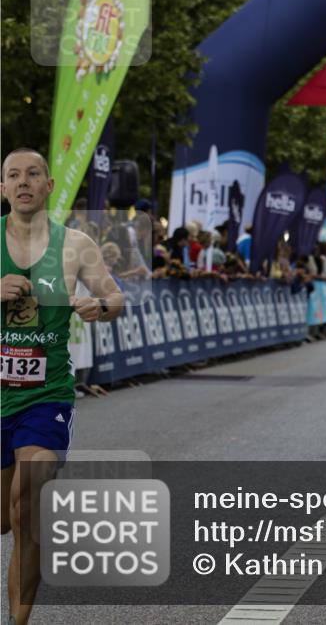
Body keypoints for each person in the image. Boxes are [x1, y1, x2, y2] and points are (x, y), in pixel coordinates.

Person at [1, 148, 124, 625]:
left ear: (49, 185)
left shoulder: (75, 245)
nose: (24, 181)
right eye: (14, 175)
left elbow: (115, 296)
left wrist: (101, 307)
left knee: (26, 504)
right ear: (3, 189)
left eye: (34, 173)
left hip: (45, 396)